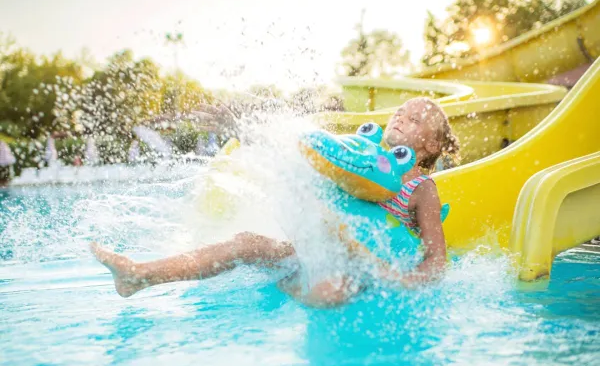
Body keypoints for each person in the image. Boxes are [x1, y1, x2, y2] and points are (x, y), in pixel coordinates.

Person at [91, 97, 460, 306]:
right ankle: (139, 275)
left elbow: (436, 259)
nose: (401, 117)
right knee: (246, 243)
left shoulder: (421, 189)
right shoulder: (359, 164)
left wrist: (401, 279)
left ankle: (289, 289)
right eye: (400, 112)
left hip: (365, 266)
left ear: (429, 145)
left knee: (331, 289)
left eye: (414, 120)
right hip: (316, 249)